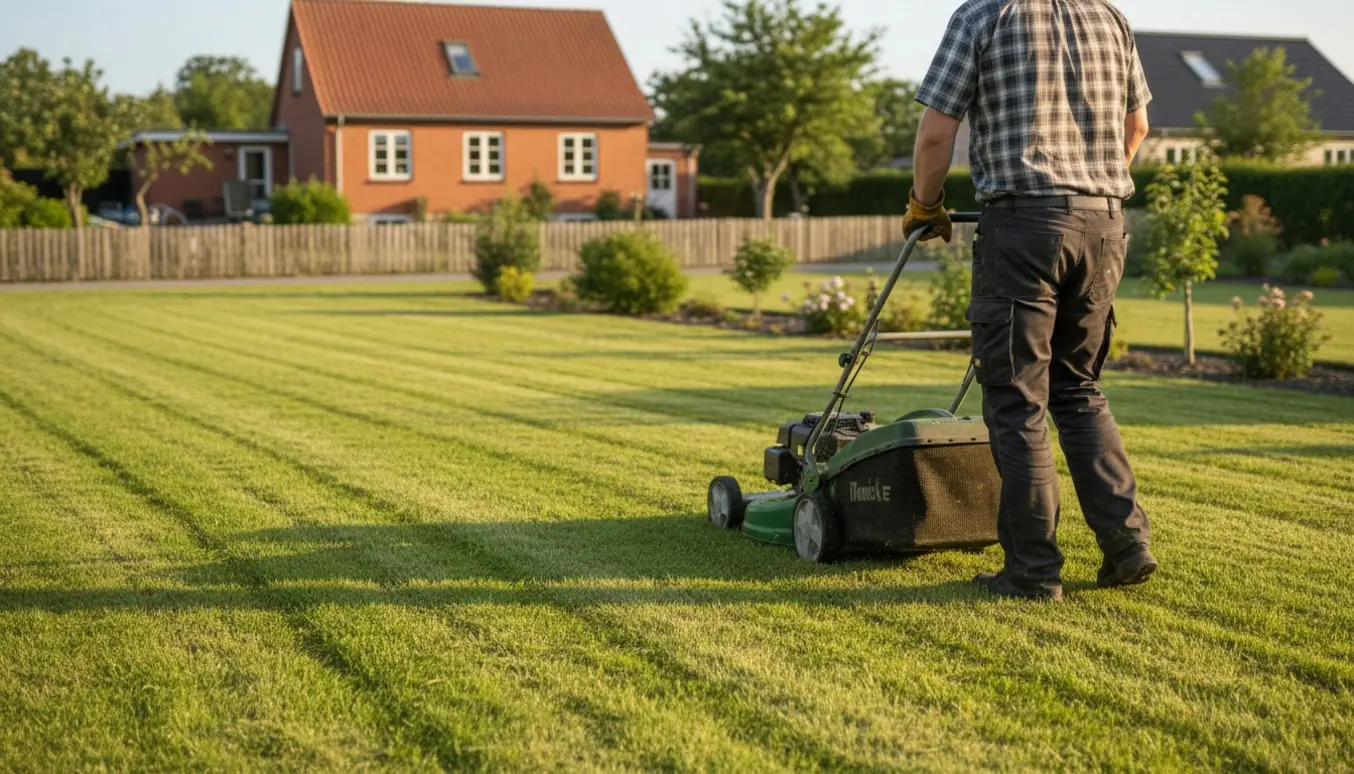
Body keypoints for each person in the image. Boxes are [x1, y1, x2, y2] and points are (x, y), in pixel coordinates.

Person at [901, 0, 1158, 601]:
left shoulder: (985, 16)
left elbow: (938, 131)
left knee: (1018, 402)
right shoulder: (1110, 18)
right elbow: (1137, 127)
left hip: (1023, 229)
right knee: (1080, 390)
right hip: (1105, 226)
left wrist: (925, 205)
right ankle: (1127, 546)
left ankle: (1034, 572)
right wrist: (1089, 187)